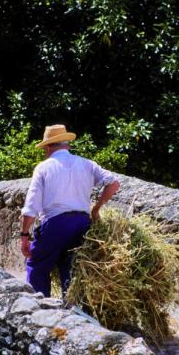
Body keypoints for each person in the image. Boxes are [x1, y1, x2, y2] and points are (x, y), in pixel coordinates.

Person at [20, 124, 120, 297]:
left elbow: (31, 207)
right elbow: (114, 183)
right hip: (82, 223)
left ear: (48, 147)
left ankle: (39, 306)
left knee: (37, 266)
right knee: (70, 267)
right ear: (67, 145)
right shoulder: (87, 164)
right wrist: (96, 209)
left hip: (55, 223)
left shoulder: (43, 168)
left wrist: (24, 236)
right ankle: (72, 305)